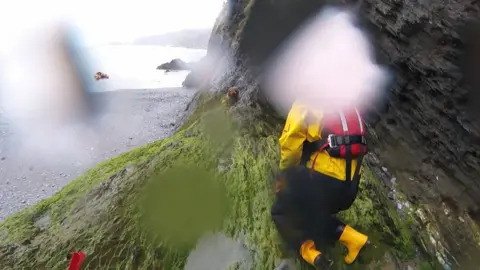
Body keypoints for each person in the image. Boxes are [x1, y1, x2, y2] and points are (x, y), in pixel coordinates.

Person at [271, 101, 375, 269]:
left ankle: (309, 253)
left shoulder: (306, 100)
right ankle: (354, 239)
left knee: (281, 212)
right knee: (312, 210)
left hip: (325, 185)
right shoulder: (349, 103)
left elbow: (290, 145)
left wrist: (285, 177)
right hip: (349, 189)